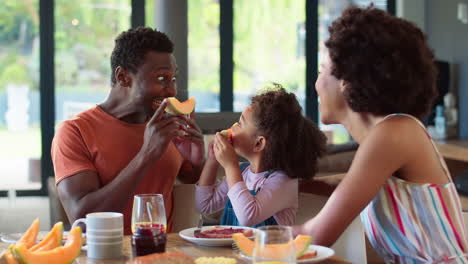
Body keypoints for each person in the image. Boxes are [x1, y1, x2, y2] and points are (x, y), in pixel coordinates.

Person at [292, 5, 468, 263]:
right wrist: (292, 185)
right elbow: (348, 186)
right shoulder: (388, 137)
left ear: (346, 79)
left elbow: (314, 236)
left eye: (322, 70)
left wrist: (240, 237)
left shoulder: (394, 133)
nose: (316, 83)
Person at [51, 27, 205, 235]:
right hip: (105, 254)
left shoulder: (166, 126)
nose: (172, 91)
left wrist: (196, 162)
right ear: (123, 77)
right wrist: (146, 155)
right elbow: (82, 215)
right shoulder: (75, 131)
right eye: (161, 79)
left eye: (173, 79)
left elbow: (192, 181)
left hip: (162, 251)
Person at [195, 85, 327, 227]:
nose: (232, 127)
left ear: (259, 143)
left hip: (268, 249)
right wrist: (212, 160)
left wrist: (230, 165)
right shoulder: (242, 172)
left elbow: (249, 216)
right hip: (233, 249)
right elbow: (204, 205)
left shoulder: (283, 181)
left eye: (240, 124)